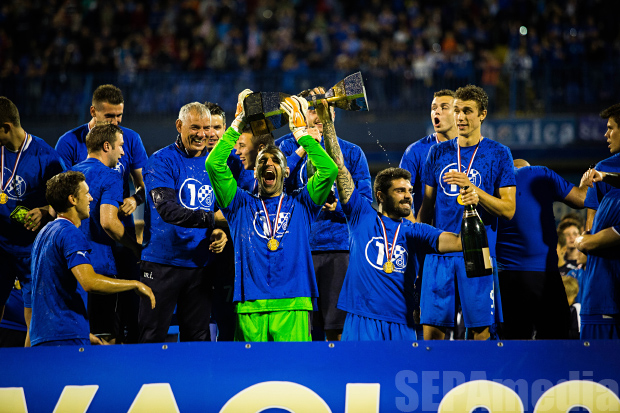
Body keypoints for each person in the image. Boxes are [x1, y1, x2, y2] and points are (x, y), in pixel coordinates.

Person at [316, 98, 463, 339]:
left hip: (402, 324)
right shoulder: (361, 216)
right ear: (380, 196)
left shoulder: (415, 231)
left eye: (409, 191)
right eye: (400, 191)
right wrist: (326, 123)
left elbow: (455, 242)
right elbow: (339, 167)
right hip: (361, 319)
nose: (408, 196)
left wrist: (472, 217)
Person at [205, 90, 338, 342]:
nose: (268, 164)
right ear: (256, 173)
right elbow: (213, 165)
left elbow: (328, 169)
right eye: (263, 161)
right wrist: (238, 122)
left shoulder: (303, 204)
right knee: (251, 377)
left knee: (293, 372)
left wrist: (300, 135)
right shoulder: (239, 205)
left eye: (275, 160)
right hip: (249, 304)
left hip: (294, 302)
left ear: (286, 171)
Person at [417, 85, 516, 340]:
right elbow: (426, 209)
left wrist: (476, 192)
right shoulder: (437, 152)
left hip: (478, 253)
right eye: (457, 110)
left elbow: (508, 209)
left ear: (482, 114)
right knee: (432, 334)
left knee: (480, 333)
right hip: (439, 253)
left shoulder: (499, 153)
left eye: (467, 111)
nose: (460, 117)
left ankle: (478, 381)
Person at [56, 84, 148, 343]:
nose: (117, 121)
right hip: (102, 241)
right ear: (93, 111)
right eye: (110, 117)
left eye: (120, 116)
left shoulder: (130, 138)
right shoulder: (68, 143)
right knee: (105, 311)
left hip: (105, 238)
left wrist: (135, 198)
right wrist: (135, 246)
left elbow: (145, 184)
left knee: (120, 308)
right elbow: (58, 194)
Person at [278, 87, 372, 341]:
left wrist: (338, 207)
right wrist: (301, 146)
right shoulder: (282, 149)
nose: (318, 115)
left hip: (338, 249)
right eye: (311, 108)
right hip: (296, 250)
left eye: (325, 108)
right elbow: (270, 190)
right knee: (298, 329)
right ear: (301, 113)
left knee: (337, 327)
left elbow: (366, 203)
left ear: (333, 113)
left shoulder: (351, 153)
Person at [29, 171, 155, 347]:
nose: (91, 198)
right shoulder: (70, 233)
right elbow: (89, 282)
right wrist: (135, 284)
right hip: (65, 337)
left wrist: (85, 334)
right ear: (72, 199)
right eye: (86, 193)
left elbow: (50, 292)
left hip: (44, 336)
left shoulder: (44, 233)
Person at [139, 102, 227, 343]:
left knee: (198, 340)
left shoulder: (215, 164)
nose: (202, 134)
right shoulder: (161, 161)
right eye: (195, 127)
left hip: (200, 265)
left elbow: (220, 209)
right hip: (161, 265)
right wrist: (213, 220)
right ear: (179, 125)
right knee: (151, 337)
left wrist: (219, 231)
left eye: (207, 128)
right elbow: (167, 210)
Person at [495, 159, 587, 339]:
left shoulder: (492, 183)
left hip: (507, 279)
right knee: (555, 345)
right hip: (545, 277)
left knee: (513, 346)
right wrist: (585, 182)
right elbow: (582, 198)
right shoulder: (540, 173)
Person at [0, 96, 64, 347]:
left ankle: (27, 368)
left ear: (6, 127)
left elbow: (66, 200)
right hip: (2, 247)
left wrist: (45, 210)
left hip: (31, 250)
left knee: (31, 314)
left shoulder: (46, 156)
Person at [71, 123, 142, 343]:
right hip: (98, 268)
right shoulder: (110, 176)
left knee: (79, 335)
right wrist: (134, 247)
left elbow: (55, 213)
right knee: (104, 336)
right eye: (120, 146)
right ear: (106, 146)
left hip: (71, 264)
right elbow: (109, 222)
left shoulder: (71, 173)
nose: (123, 151)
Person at [399, 89, 457, 221]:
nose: (437, 111)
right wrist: (416, 230)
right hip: (429, 234)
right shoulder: (416, 151)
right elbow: (400, 194)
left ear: (457, 113)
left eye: (444, 107)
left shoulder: (472, 150)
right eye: (433, 108)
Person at [575, 189, 620, 339]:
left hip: (604, 303)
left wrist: (580, 241)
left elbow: (586, 243)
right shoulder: (610, 197)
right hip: (602, 304)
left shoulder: (611, 197)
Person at [583, 103, 620, 231]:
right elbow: (591, 221)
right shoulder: (602, 167)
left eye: (610, 128)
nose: (606, 134)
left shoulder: (602, 172)